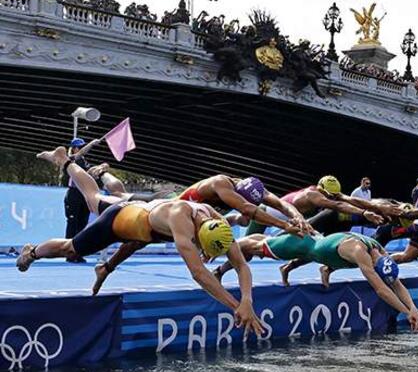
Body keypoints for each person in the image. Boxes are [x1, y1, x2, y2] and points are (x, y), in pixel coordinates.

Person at [17, 146, 264, 337]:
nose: (203, 255)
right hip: (124, 219)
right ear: (198, 236)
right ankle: (33, 250)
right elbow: (198, 273)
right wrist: (235, 306)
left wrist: (247, 300)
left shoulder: (216, 220)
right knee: (72, 243)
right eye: (203, 249)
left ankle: (81, 167)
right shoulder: (181, 221)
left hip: (147, 215)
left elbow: (241, 265)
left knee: (120, 206)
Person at [215, 232, 418, 333]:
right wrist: (407, 313)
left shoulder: (380, 252)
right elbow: (381, 289)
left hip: (321, 246)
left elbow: (395, 283)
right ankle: (221, 256)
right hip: (303, 245)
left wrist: (413, 308)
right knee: (254, 246)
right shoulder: (360, 253)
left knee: (263, 240)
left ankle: (321, 269)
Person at [178, 174, 313, 236]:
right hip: (177, 214)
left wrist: (298, 216)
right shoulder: (219, 183)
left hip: (204, 217)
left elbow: (282, 204)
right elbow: (248, 209)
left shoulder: (257, 189)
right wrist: (284, 225)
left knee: (240, 221)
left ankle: (237, 219)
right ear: (237, 194)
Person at [245, 176, 383, 235]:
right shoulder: (314, 196)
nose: (333, 197)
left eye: (334, 195)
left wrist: (375, 208)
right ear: (322, 190)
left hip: (286, 217)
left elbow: (348, 199)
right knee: (247, 252)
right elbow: (339, 205)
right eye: (331, 195)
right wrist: (364, 213)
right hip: (265, 214)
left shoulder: (326, 192)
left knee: (241, 220)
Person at [62, 138, 92, 262]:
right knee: (72, 223)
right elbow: (79, 155)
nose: (81, 149)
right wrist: (92, 144)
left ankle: (78, 251)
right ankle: (69, 252)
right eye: (79, 147)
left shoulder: (84, 162)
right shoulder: (70, 159)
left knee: (82, 223)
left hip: (84, 194)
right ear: (74, 148)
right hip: (73, 194)